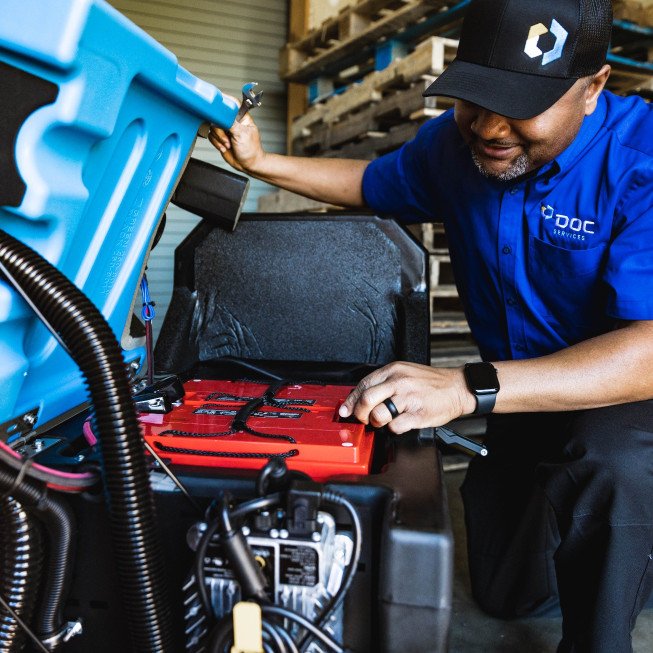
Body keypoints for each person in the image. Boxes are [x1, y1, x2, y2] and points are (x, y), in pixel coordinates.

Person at [209, 0, 653, 650]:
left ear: (592, 89)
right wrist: (259, 163)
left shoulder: (639, 161)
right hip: (518, 397)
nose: (490, 126)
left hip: (623, 398)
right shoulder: (455, 144)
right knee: (504, 591)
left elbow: (646, 354)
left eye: (520, 102)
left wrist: (464, 386)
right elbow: (369, 181)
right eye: (475, 95)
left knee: (610, 466)